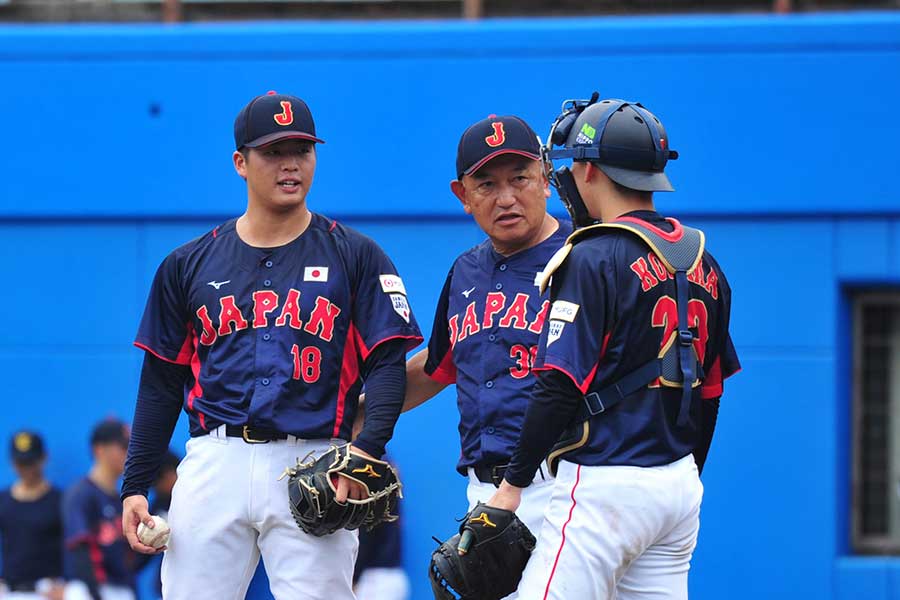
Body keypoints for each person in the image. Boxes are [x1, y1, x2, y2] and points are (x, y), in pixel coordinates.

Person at [120, 91, 422, 600]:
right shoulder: (187, 264)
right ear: (240, 162)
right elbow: (160, 384)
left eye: (301, 151)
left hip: (316, 459)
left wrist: (365, 452)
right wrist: (135, 484)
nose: (290, 164)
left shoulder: (358, 256)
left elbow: (388, 364)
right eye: (273, 152)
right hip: (215, 458)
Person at [486, 96, 741, 599]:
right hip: (678, 486)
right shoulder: (704, 263)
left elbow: (558, 385)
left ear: (588, 170)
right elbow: (710, 393)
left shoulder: (593, 255)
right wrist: (682, 474)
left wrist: (511, 488)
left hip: (606, 486)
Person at [380, 114, 570, 559]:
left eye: (520, 178)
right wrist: (354, 416)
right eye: (486, 184)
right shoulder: (466, 270)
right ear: (462, 195)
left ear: (546, 179)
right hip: (485, 492)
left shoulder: (583, 258)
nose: (506, 197)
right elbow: (438, 367)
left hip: (567, 482)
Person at [63, 419, 135, 600]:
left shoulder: (122, 499)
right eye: (122, 446)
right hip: (88, 591)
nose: (129, 453)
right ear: (99, 449)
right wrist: (95, 594)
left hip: (120, 589)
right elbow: (80, 548)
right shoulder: (81, 494)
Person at [0, 431, 64, 600]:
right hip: (10, 592)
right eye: (21, 463)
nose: (27, 469)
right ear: (12, 463)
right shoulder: (3, 501)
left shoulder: (60, 500)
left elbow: (74, 546)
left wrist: (68, 584)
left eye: (31, 462)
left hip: (48, 591)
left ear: (44, 458)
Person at [352, 457, 409, 600]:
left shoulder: (369, 468)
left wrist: (353, 578)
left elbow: (366, 532)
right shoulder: (383, 464)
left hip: (372, 581)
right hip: (388, 576)